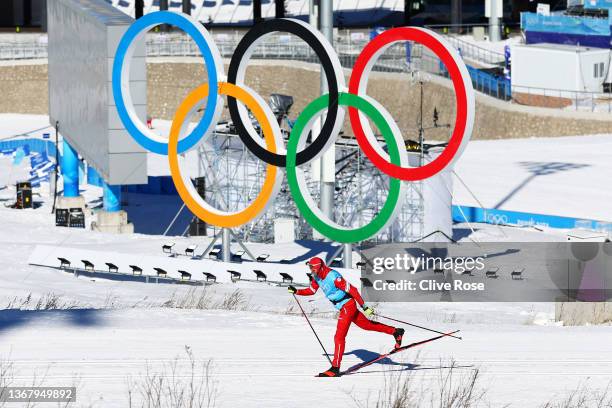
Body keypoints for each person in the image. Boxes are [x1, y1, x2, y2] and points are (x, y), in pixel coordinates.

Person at [288, 257, 404, 377]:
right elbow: (311, 290)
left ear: (319, 267)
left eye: (312, 267)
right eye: (310, 267)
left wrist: (364, 307)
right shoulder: (317, 277)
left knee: (339, 337)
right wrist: (297, 291)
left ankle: (335, 368)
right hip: (343, 306)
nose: (311, 270)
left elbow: (353, 290)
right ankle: (396, 332)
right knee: (367, 325)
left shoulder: (334, 277)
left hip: (347, 306)